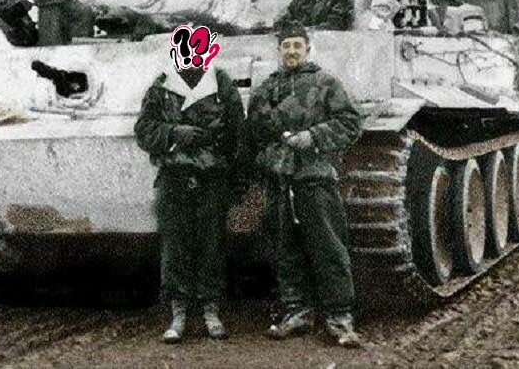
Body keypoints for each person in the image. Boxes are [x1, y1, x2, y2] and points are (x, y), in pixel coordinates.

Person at [245, 21, 363, 348]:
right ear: (279, 51)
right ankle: (297, 310)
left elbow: (350, 122)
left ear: (307, 48)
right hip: (279, 178)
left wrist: (313, 136)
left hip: (314, 175)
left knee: (328, 245)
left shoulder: (325, 83)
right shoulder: (266, 89)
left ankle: (339, 316)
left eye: (297, 45)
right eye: (286, 46)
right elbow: (254, 131)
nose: (292, 51)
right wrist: (273, 150)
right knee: (285, 247)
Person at [134, 59, 245, 343]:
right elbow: (143, 129)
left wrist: (234, 175)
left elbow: (238, 131)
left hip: (212, 175)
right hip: (174, 175)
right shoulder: (163, 83)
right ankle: (178, 312)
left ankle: (211, 309)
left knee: (212, 242)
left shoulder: (220, 81)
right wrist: (172, 132)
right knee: (175, 244)